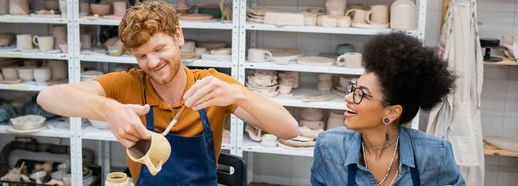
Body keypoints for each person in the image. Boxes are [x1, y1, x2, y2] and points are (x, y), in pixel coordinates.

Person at [37, 1, 299, 185]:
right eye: (141, 56)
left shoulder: (211, 85)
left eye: (159, 49)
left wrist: (240, 95)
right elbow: (47, 98)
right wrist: (108, 109)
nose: (152, 63)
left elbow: (289, 130)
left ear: (178, 37)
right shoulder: (130, 85)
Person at [310, 32, 465, 186]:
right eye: (353, 89)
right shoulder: (328, 147)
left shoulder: (435, 155)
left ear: (392, 112)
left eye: (361, 94)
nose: (348, 98)